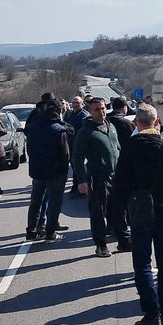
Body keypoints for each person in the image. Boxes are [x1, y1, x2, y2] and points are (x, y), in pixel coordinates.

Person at [110, 104, 163, 325]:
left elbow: (119, 184)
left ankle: (151, 314)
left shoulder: (131, 146)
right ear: (157, 122)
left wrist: (127, 204)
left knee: (143, 263)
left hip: (141, 210)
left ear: (137, 123)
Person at [72, 97, 129, 257]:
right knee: (98, 212)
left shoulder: (110, 126)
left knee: (118, 210)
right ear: (90, 111)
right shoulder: (86, 132)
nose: (101, 111)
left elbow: (118, 149)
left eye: (103, 108)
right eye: (97, 109)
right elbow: (77, 158)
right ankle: (101, 244)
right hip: (98, 178)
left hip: (115, 176)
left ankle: (124, 241)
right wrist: (81, 180)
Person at [25, 100, 74, 241]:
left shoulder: (34, 126)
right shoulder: (58, 129)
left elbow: (29, 148)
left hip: (37, 169)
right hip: (56, 171)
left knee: (35, 201)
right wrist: (65, 171)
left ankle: (31, 231)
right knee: (54, 202)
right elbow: (65, 154)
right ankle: (50, 232)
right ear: (59, 112)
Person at [67, 97, 89, 197]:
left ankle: (81, 189)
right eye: (74, 102)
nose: (75, 104)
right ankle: (75, 186)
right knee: (74, 166)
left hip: (79, 145)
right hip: (72, 145)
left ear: (82, 103)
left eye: (78, 102)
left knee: (78, 167)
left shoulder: (83, 115)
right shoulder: (72, 114)